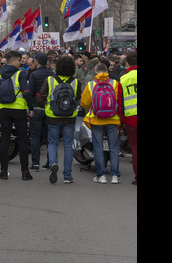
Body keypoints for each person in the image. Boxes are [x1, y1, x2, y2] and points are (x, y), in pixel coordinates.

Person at [36, 55, 80, 184]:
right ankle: (67, 175)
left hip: (53, 116)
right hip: (70, 117)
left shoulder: (50, 80)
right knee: (68, 145)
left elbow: (40, 98)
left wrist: (45, 105)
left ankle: (53, 163)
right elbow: (77, 98)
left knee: (52, 142)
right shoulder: (75, 81)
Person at [81, 63, 124, 183]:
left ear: (96, 72)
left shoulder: (91, 84)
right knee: (114, 147)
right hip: (113, 118)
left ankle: (101, 175)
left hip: (97, 119)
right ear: (107, 71)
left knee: (98, 147)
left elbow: (84, 102)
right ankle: (115, 176)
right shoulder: (114, 83)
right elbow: (118, 100)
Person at [0, 50, 31, 180]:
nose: (21, 62)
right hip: (19, 110)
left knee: (4, 140)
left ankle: (3, 171)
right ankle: (25, 172)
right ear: (12, 61)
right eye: (18, 60)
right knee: (22, 141)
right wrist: (31, 106)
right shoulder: (20, 74)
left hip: (4, 110)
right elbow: (26, 92)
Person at [25, 52, 53, 172]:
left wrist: (30, 108)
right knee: (49, 138)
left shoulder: (34, 75)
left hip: (36, 109)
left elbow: (30, 92)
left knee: (35, 137)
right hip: (49, 110)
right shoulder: (52, 75)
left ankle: (35, 163)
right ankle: (50, 162)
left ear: (36, 62)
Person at [119, 52, 137, 185]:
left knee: (135, 149)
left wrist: (122, 119)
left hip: (131, 120)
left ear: (127, 63)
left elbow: (121, 102)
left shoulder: (124, 79)